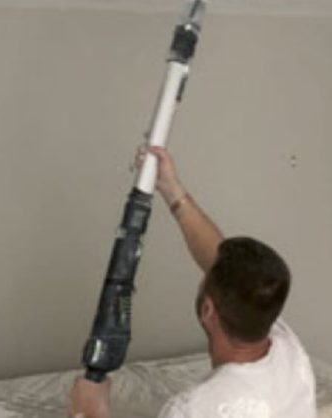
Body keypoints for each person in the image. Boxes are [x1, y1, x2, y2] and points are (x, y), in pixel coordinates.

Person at [68, 146, 316, 418]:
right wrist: (172, 189)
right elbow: (219, 262)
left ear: (208, 309)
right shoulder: (289, 351)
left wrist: (88, 410)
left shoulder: (194, 409)